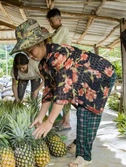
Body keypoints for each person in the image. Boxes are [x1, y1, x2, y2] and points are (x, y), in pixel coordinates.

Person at [10, 19, 116, 167]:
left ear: (41, 42)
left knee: (87, 113)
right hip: (84, 81)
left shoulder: (58, 55)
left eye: (31, 50)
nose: (30, 56)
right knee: (82, 112)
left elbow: (62, 92)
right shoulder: (43, 64)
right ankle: (81, 141)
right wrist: (40, 117)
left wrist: (50, 121)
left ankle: (85, 157)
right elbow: (49, 90)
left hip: (101, 75)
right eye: (27, 53)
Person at [47, 8, 72, 131]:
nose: (51, 24)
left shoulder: (63, 30)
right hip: (61, 66)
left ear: (59, 19)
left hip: (66, 66)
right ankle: (63, 120)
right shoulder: (57, 32)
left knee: (64, 95)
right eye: (50, 22)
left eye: (52, 21)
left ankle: (66, 122)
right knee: (62, 94)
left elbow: (53, 43)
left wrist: (46, 36)